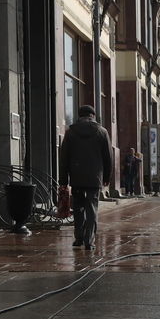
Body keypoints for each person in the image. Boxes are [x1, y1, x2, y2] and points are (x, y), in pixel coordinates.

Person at [59, 105, 112, 249]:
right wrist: (107, 177)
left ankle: (79, 238)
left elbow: (64, 158)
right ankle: (89, 241)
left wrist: (63, 181)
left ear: (79, 116)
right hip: (95, 179)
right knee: (92, 208)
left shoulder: (70, 133)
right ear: (93, 116)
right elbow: (108, 158)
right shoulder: (102, 132)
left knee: (78, 209)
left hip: (76, 178)